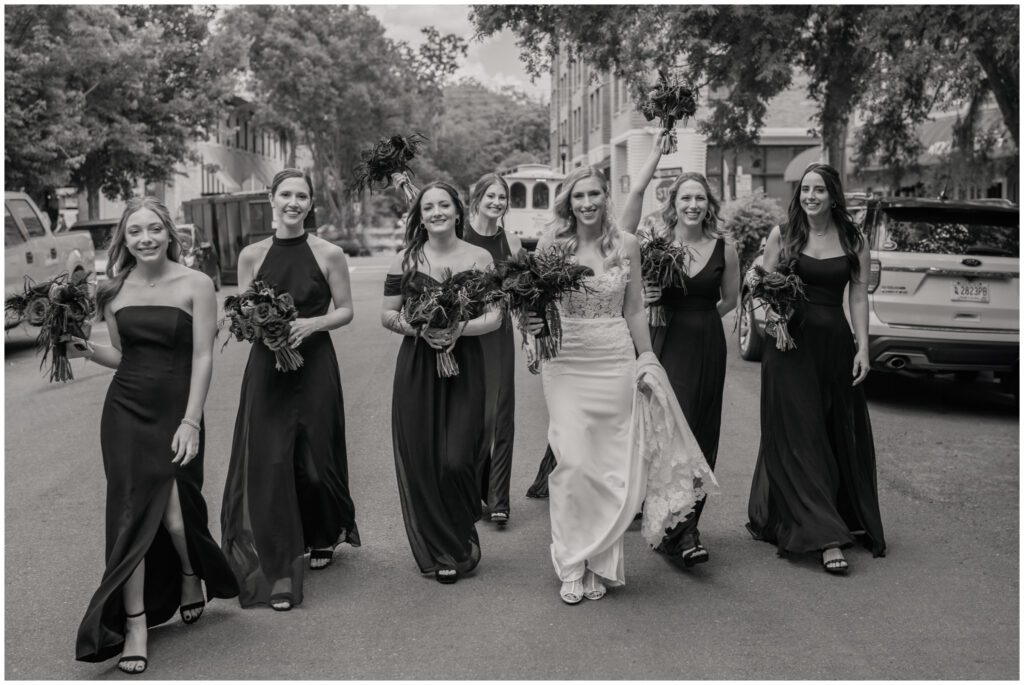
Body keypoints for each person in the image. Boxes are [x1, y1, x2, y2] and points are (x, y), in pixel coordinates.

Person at [72, 197, 238, 674]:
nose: (144, 239)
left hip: (175, 412)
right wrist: (80, 349)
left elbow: (203, 357)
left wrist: (191, 420)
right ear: (123, 240)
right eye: (134, 232)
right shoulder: (112, 290)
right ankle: (136, 624)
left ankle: (190, 574)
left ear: (169, 233)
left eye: (152, 229)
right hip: (125, 413)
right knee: (130, 520)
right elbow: (123, 357)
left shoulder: (197, 284)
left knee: (178, 521)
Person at [221, 169, 359, 612]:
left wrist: (311, 323)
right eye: (286, 194)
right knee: (272, 461)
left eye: (302, 195)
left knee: (317, 462)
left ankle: (322, 532)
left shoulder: (330, 253)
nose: (293, 202)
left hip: (316, 365)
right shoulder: (250, 255)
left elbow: (346, 311)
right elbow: (243, 315)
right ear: (271, 199)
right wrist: (262, 327)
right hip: (266, 369)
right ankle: (281, 564)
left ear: (311, 202)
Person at [527, 167, 660, 604]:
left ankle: (600, 561)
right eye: (579, 195)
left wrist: (647, 358)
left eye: (594, 194)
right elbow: (535, 307)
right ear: (570, 201)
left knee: (609, 467)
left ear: (607, 197)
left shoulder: (627, 245)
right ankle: (570, 561)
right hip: (566, 360)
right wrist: (529, 325)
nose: (586, 203)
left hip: (615, 358)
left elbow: (635, 307)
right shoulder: (552, 244)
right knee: (573, 461)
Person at [746, 163, 886, 574]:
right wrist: (770, 319)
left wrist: (863, 347)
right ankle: (825, 538)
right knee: (800, 434)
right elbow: (760, 286)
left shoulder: (853, 239)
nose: (810, 196)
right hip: (788, 348)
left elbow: (858, 297)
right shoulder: (783, 235)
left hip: (833, 348)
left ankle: (812, 515)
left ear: (833, 195)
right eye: (805, 189)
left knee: (827, 431)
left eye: (818, 190)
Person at [620, 131, 740, 566]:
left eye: (700, 199)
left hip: (707, 343)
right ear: (673, 204)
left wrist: (702, 315)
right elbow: (635, 293)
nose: (693, 205)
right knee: (671, 433)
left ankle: (688, 527)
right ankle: (678, 529)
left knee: (703, 432)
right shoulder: (656, 246)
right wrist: (653, 299)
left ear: (709, 205)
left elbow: (731, 297)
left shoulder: (725, 248)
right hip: (667, 343)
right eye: (685, 198)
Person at [381, 181, 502, 584]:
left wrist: (457, 328)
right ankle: (443, 548)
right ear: (420, 215)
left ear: (457, 212)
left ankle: (461, 518)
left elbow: (496, 317)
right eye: (428, 206)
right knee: (423, 460)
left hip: (465, 365)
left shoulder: (480, 256)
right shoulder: (406, 258)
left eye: (443, 205)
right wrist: (419, 329)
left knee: (456, 459)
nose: (436, 212)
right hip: (417, 366)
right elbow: (387, 315)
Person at [463, 174, 523, 527]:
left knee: (501, 416)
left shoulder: (511, 241)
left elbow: (521, 294)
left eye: (502, 197)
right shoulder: (460, 235)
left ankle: (499, 499)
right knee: (471, 416)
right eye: (491, 195)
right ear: (477, 197)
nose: (497, 202)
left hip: (498, 334)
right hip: (466, 334)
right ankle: (472, 493)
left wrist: (531, 336)